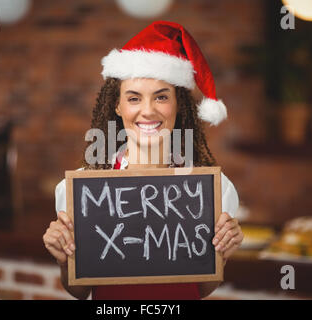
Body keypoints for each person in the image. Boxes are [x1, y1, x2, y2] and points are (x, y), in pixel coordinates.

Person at [43, 21, 244, 300]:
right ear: (118, 106)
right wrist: (64, 261)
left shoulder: (214, 190)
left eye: (161, 97)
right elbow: (79, 290)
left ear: (178, 104)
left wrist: (220, 256)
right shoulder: (83, 190)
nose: (147, 111)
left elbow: (201, 288)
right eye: (134, 98)